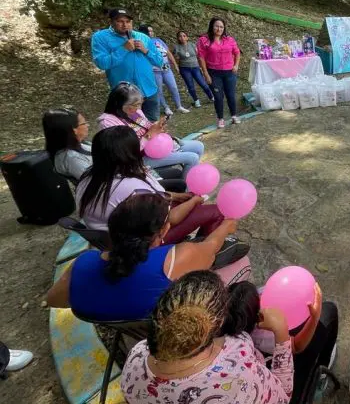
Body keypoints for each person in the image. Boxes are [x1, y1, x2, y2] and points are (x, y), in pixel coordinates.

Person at [121, 271, 294, 404]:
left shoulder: (136, 355)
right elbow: (283, 395)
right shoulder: (236, 373)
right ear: (219, 324)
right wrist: (281, 332)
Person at [46, 193, 239, 321]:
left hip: (126, 330)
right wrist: (226, 226)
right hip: (163, 331)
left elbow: (53, 300)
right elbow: (211, 247)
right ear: (162, 230)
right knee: (236, 260)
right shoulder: (174, 258)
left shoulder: (83, 262)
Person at [76, 126, 223, 244]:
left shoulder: (87, 177)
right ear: (131, 154)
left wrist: (179, 196)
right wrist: (194, 201)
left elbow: (150, 199)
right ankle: (202, 250)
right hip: (139, 244)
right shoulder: (134, 187)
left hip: (110, 239)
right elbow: (170, 219)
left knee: (180, 194)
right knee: (216, 211)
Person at [222, 281, 339, 404]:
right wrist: (314, 318)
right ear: (257, 318)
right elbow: (296, 347)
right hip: (281, 392)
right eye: (259, 302)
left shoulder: (225, 335)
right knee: (329, 311)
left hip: (256, 392)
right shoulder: (260, 337)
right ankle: (319, 375)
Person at [97, 82, 205, 175]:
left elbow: (147, 127)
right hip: (138, 159)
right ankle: (187, 193)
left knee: (198, 146)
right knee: (192, 158)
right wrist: (149, 135)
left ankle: (186, 184)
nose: (138, 108)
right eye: (134, 105)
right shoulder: (108, 122)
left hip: (154, 149)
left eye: (139, 104)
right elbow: (125, 151)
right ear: (119, 104)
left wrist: (157, 127)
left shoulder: (135, 111)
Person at [91, 8, 163, 121]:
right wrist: (123, 49)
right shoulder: (100, 37)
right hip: (126, 96)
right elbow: (102, 63)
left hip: (149, 90)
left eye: (128, 22)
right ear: (111, 22)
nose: (125, 25)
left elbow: (159, 61)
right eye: (120, 21)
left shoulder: (143, 37)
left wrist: (146, 51)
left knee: (153, 124)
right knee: (132, 129)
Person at [198, 17, 241, 128]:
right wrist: (206, 74)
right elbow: (201, 57)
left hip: (229, 73)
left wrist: (236, 65)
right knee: (218, 97)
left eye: (221, 27)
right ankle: (220, 118)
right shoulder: (204, 40)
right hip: (214, 73)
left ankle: (234, 115)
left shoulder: (229, 39)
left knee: (231, 95)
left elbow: (237, 53)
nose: (219, 29)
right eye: (216, 26)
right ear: (212, 26)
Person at [138, 24, 189, 116]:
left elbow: (168, 53)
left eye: (152, 30)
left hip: (166, 68)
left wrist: (175, 65)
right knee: (159, 90)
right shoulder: (142, 42)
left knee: (173, 87)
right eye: (149, 31)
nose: (151, 32)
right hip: (154, 71)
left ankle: (179, 106)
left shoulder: (158, 40)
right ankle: (166, 107)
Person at [43, 108, 92, 182]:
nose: (87, 125)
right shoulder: (72, 158)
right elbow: (94, 181)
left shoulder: (80, 144)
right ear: (74, 130)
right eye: (84, 123)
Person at [173, 30, 213, 108]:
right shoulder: (176, 47)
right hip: (184, 69)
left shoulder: (193, 45)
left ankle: (211, 97)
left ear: (187, 37)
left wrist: (201, 66)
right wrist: (177, 66)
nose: (182, 38)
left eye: (184, 36)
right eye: (180, 36)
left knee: (203, 83)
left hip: (195, 67)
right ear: (178, 38)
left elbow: (199, 56)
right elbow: (175, 58)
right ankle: (196, 101)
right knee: (190, 86)